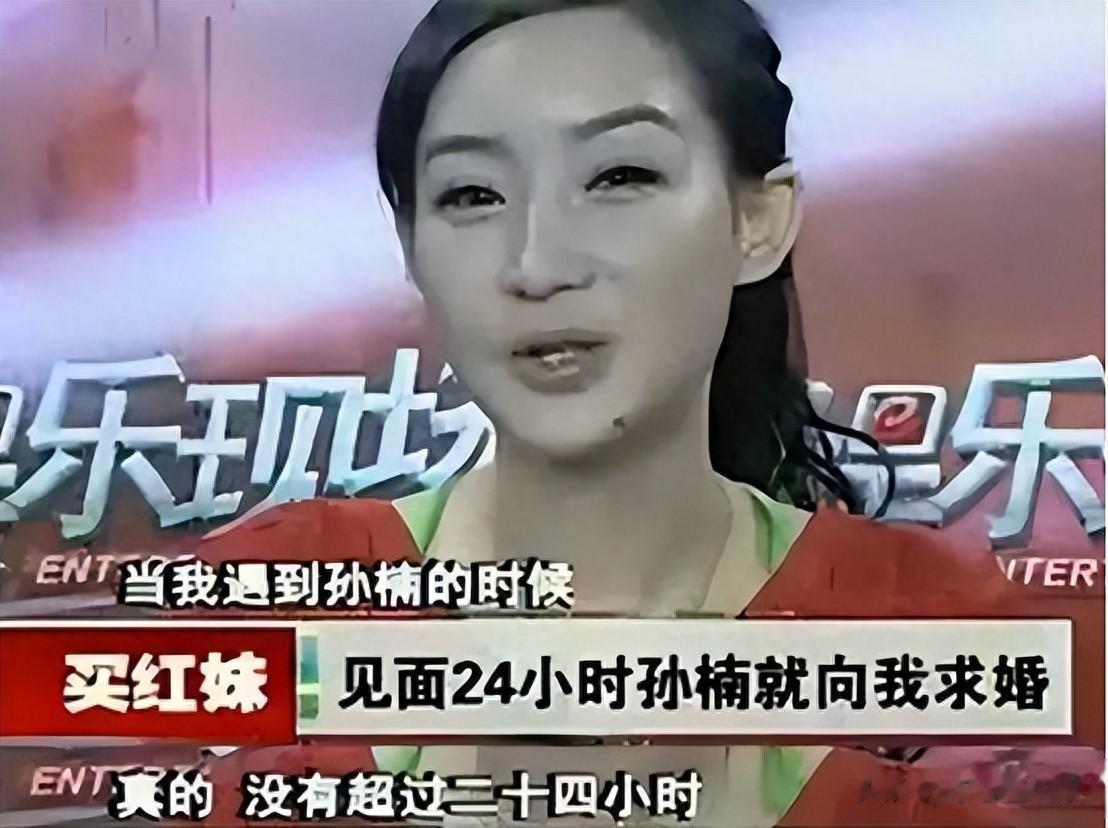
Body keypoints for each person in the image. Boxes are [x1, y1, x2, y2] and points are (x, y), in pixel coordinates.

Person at [189, 1, 1104, 825]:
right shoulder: (263, 604)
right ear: (410, 246)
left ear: (758, 221)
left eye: (619, 176)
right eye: (472, 195)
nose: (537, 264)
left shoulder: (938, 631)